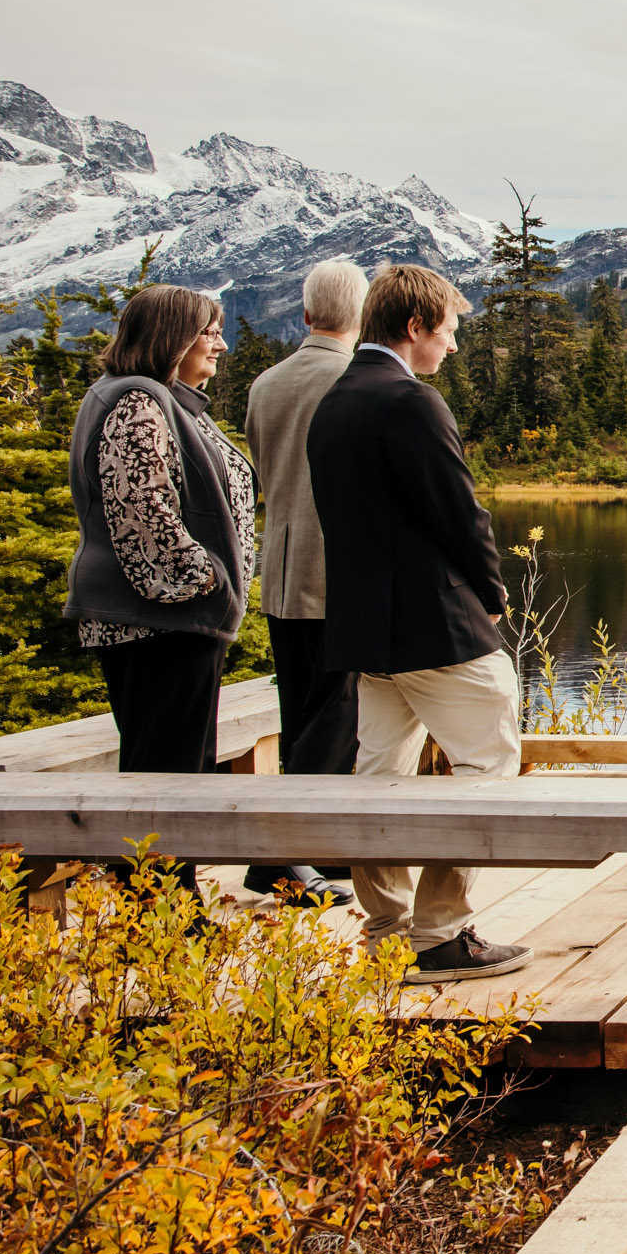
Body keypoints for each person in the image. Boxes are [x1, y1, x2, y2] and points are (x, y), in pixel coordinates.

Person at [309, 265, 531, 983]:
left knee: (379, 772)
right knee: (489, 755)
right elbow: (457, 511)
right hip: (432, 624)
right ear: (415, 326)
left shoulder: (336, 401)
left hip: (366, 631)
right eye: (449, 331)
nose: (453, 347)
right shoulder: (412, 402)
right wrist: (493, 591)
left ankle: (387, 927)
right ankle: (440, 930)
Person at [62, 285, 260, 898]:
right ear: (173, 337)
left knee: (176, 768)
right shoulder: (137, 402)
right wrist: (205, 580)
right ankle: (157, 917)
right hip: (159, 622)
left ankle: (168, 913)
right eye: (209, 331)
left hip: (170, 621)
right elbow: (140, 507)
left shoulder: (154, 398)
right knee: (165, 775)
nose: (221, 344)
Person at [239, 261, 369, 906]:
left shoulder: (265, 384)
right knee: (337, 711)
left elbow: (265, 467)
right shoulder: (354, 379)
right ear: (360, 316)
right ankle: (282, 856)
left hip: (281, 569)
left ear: (306, 310)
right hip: (336, 569)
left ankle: (311, 847)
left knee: (301, 710)